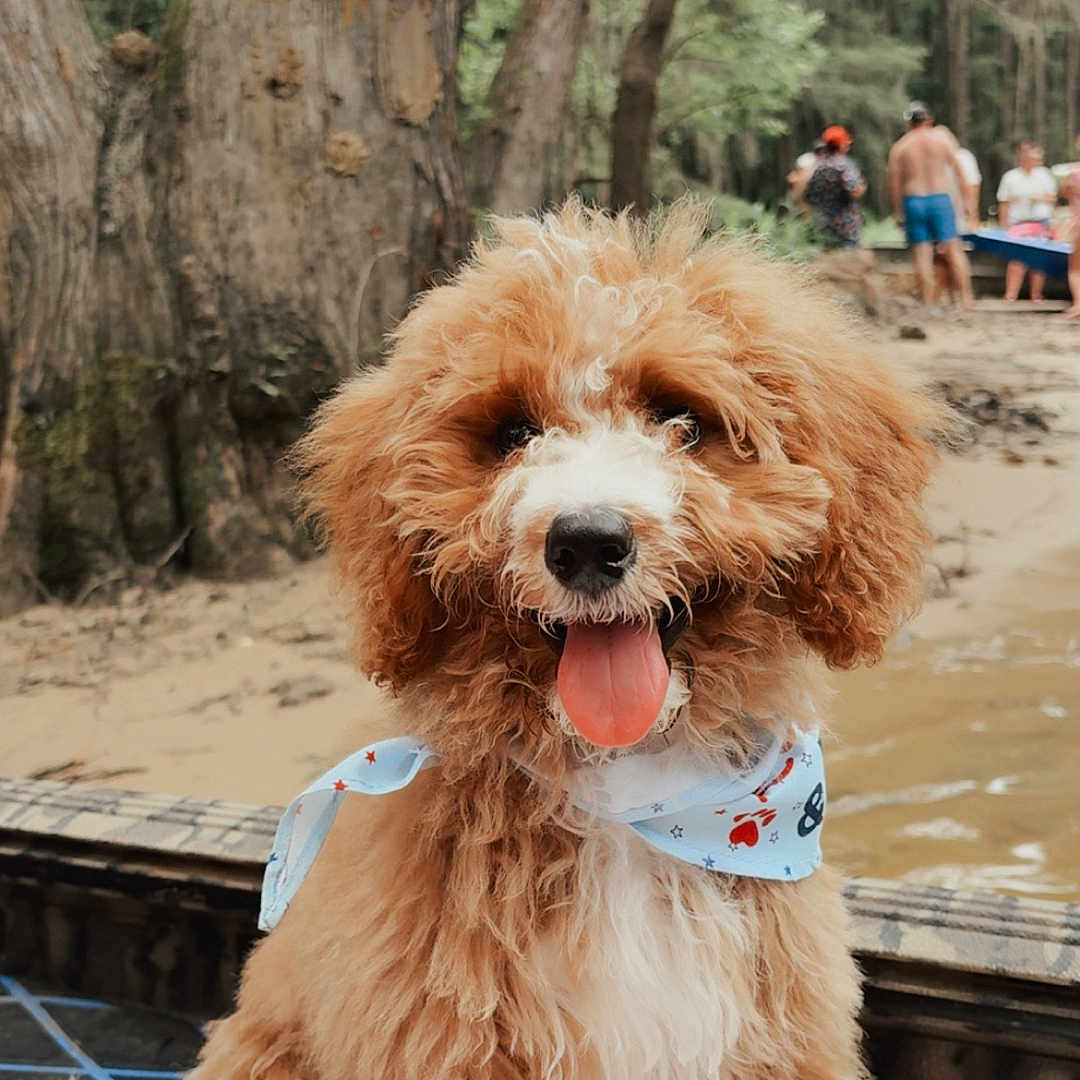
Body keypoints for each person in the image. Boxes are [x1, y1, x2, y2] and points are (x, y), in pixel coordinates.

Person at [886, 101, 974, 309]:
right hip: (939, 198)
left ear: (909, 123)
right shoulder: (941, 141)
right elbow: (960, 173)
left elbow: (894, 184)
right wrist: (967, 202)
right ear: (929, 119)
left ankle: (927, 302)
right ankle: (966, 299)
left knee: (922, 253)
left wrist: (897, 211)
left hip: (914, 199)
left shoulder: (900, 147)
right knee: (954, 249)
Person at [996, 140, 1057, 301]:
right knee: (1017, 259)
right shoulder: (1010, 177)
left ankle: (1036, 294)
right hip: (1018, 222)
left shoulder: (1044, 174)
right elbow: (1003, 203)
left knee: (1038, 260)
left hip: (1040, 221)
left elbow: (1053, 198)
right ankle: (1010, 294)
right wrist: (1003, 227)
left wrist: (1038, 198)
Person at [803, 126, 866, 248]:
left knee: (828, 259)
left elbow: (809, 196)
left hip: (823, 224)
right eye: (846, 141)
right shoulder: (844, 165)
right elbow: (855, 191)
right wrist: (863, 186)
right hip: (846, 226)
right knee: (848, 261)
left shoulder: (820, 167)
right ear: (841, 144)